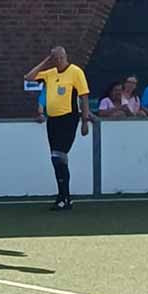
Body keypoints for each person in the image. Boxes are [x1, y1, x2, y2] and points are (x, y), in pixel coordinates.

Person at [24, 46, 91, 210]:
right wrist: (46, 61)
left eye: (61, 57)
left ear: (66, 57)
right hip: (52, 120)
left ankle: (63, 197)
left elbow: (84, 96)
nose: (59, 60)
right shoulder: (50, 74)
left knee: (59, 156)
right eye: (56, 58)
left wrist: (84, 121)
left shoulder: (76, 72)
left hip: (68, 118)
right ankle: (64, 196)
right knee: (57, 159)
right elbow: (28, 78)